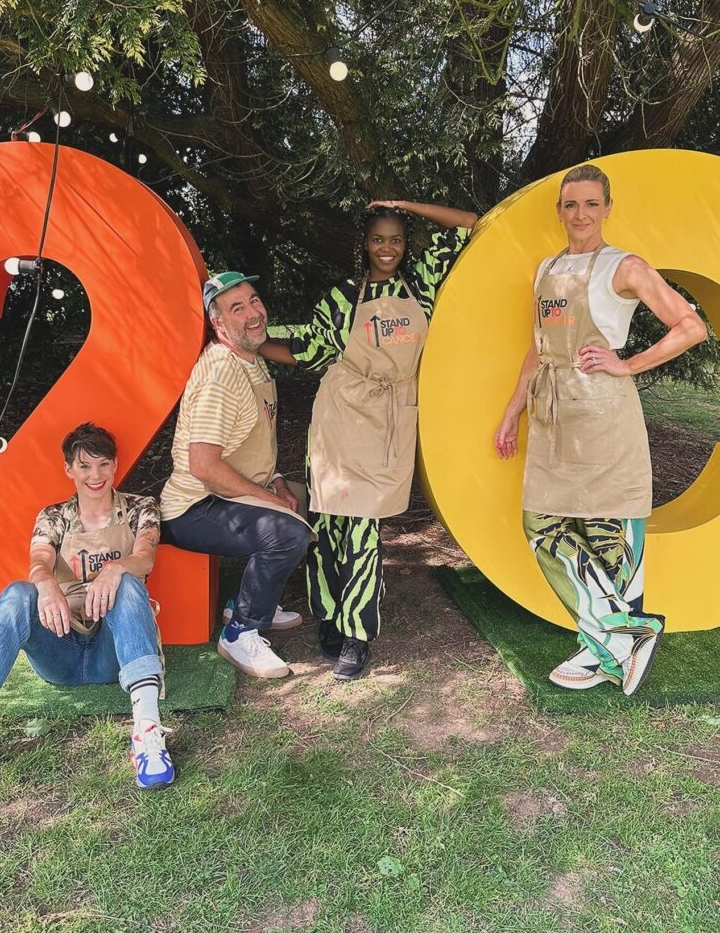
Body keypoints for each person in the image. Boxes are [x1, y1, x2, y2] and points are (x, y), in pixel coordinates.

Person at [494, 164, 707, 695]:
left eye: (591, 204)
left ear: (607, 208)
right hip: (553, 410)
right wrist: (513, 408)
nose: (580, 214)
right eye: (570, 205)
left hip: (603, 411)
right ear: (560, 210)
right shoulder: (546, 268)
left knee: (606, 530)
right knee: (543, 524)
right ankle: (625, 636)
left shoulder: (625, 266)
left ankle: (603, 650)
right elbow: (537, 344)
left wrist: (627, 364)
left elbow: (691, 326)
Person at [0, 423, 175, 810]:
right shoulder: (54, 516)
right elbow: (39, 560)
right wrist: (45, 584)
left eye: (102, 464)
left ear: (115, 465)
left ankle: (147, 734)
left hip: (114, 653)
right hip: (60, 650)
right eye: (84, 466)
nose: (94, 475)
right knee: (18, 592)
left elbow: (145, 555)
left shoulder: (140, 507)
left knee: (130, 583)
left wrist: (116, 570)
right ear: (69, 470)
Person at [259, 200, 478, 680]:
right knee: (329, 528)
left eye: (396, 239)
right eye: (378, 238)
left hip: (390, 418)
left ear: (406, 245)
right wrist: (246, 343)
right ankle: (331, 620)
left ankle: (358, 636)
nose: (387, 248)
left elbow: (468, 224)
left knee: (363, 530)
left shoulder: (420, 285)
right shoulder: (343, 297)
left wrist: (404, 205)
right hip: (339, 417)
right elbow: (309, 348)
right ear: (365, 243)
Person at [159, 271, 313, 679]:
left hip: (225, 493)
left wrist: (277, 480)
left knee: (310, 498)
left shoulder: (252, 359)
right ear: (219, 323)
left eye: (254, 301)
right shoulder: (219, 376)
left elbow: (253, 442)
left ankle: (248, 599)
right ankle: (240, 629)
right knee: (287, 532)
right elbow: (203, 466)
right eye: (237, 308)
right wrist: (269, 499)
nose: (253, 314)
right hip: (192, 506)